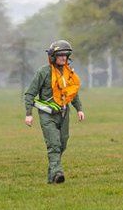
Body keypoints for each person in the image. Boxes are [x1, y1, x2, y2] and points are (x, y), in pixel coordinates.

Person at [24, 40, 85, 184]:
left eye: (66, 55)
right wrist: (28, 114)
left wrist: (79, 109)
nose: (64, 58)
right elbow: (30, 94)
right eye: (60, 55)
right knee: (54, 144)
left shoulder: (69, 73)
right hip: (47, 115)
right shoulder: (43, 72)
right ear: (53, 56)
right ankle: (58, 173)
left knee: (63, 143)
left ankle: (52, 175)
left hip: (64, 113)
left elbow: (72, 93)